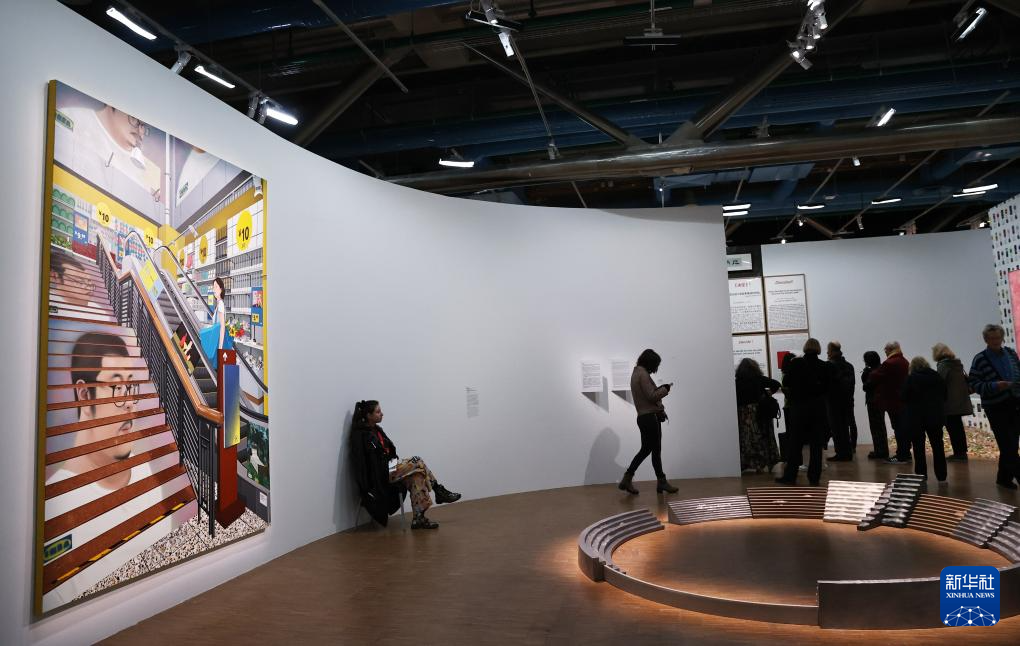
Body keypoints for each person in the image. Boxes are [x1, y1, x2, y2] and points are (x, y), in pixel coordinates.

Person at [47, 332, 140, 491]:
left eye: (130, 385)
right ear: (84, 395)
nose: (130, 402)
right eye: (117, 387)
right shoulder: (63, 492)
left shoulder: (144, 470)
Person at [349, 400, 461, 529]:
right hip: (380, 475)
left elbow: (389, 451)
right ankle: (438, 489)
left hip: (390, 467)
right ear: (369, 415)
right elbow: (363, 465)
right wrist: (367, 487)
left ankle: (419, 518)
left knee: (417, 477)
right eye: (378, 412)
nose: (382, 414)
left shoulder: (377, 430)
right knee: (417, 461)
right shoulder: (361, 435)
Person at [967, 324, 1020, 489]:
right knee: (1007, 445)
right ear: (986, 340)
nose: (996, 341)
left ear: (1002, 337)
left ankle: (1003, 478)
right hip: (995, 407)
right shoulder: (980, 359)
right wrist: (995, 386)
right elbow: (974, 384)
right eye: (991, 338)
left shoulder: (1011, 354)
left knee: (1011, 444)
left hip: (1014, 403)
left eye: (998, 337)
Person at [619, 349, 678, 495]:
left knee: (653, 450)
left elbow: (647, 397)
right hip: (649, 418)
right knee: (649, 450)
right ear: (650, 363)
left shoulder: (636, 373)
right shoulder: (643, 374)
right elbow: (651, 396)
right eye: (655, 365)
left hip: (645, 417)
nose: (655, 369)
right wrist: (665, 389)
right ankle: (629, 477)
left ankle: (660, 482)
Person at [776, 339, 830, 486]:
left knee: (795, 443)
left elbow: (786, 382)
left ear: (805, 348)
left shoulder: (796, 363)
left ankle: (790, 476)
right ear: (818, 349)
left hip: (799, 407)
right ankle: (814, 478)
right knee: (816, 445)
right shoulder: (824, 366)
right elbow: (828, 387)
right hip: (817, 409)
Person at [902, 356, 948, 482]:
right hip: (935, 416)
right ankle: (942, 476)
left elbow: (904, 396)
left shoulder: (911, 378)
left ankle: (921, 476)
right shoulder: (937, 376)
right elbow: (945, 394)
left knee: (918, 448)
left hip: (916, 418)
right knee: (938, 446)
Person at [734, 359, 781, 473]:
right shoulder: (759, 379)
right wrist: (768, 393)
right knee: (763, 436)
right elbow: (776, 384)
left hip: (744, 414)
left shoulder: (737, 382)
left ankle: (749, 463)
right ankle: (764, 463)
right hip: (760, 412)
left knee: (747, 438)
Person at [868, 341, 911, 464]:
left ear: (890, 349)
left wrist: (870, 372)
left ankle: (901, 455)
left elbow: (874, 376)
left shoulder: (889, 363)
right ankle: (906, 453)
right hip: (903, 400)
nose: (885, 351)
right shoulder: (905, 361)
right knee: (903, 428)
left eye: (885, 349)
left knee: (898, 428)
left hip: (893, 401)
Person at [933, 343, 973, 462]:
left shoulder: (944, 365)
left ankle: (958, 454)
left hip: (949, 403)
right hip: (960, 401)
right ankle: (962, 452)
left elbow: (939, 383)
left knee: (953, 428)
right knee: (958, 428)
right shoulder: (957, 364)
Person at [825, 341, 856, 462]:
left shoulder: (829, 366)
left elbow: (827, 385)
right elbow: (851, 385)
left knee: (837, 429)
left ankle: (841, 453)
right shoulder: (849, 366)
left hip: (833, 402)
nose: (827, 352)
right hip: (847, 401)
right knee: (845, 427)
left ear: (832, 351)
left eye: (828, 350)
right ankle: (848, 452)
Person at [199, 277, 233, 370]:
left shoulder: (220, 304)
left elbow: (222, 326)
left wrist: (220, 348)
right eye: (213, 287)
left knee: (219, 368)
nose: (214, 289)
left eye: (216, 287)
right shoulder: (218, 304)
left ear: (221, 289)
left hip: (219, 339)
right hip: (217, 338)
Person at [861, 351, 889, 460]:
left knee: (876, 427)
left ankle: (880, 451)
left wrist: (865, 374)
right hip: (879, 401)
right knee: (880, 426)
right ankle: (881, 450)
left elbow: (866, 386)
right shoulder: (881, 369)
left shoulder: (873, 372)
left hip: (874, 401)